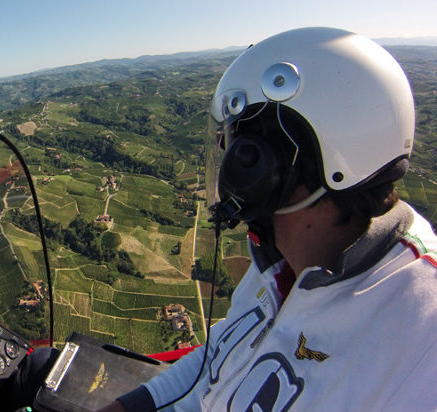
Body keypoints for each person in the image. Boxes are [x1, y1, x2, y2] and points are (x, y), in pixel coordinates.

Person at [100, 27, 437, 411]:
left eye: (234, 146)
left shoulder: (424, 336)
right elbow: (219, 360)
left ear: (261, 165)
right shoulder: (276, 265)